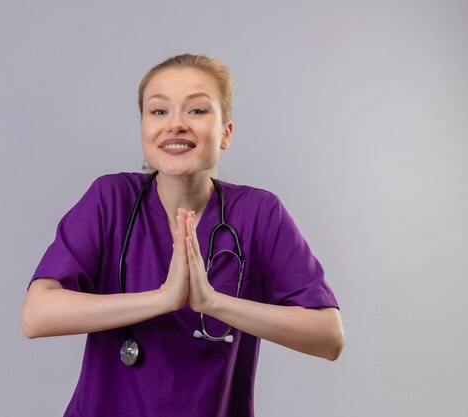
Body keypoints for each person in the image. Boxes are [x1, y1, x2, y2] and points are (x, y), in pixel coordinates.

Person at [21, 53, 344, 417]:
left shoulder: (259, 214)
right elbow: (36, 315)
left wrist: (211, 301)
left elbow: (328, 336)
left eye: (196, 111)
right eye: (158, 111)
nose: (175, 124)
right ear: (142, 126)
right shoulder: (110, 200)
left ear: (225, 133)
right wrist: (162, 299)